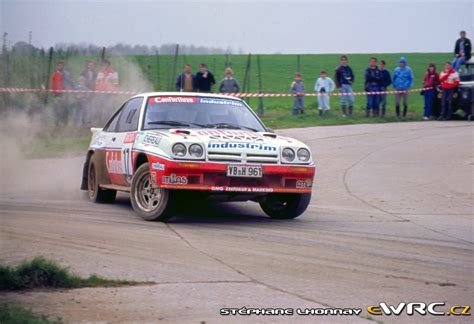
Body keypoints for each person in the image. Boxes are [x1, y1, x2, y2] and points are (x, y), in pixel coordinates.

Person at [50, 60, 74, 126]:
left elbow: (70, 82)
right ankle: (56, 122)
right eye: (59, 65)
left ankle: (65, 122)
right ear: (57, 66)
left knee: (65, 108)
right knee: (57, 108)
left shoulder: (66, 74)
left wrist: (72, 90)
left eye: (62, 65)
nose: (60, 66)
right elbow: (52, 84)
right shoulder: (55, 74)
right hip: (57, 94)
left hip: (65, 94)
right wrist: (53, 92)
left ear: (63, 66)